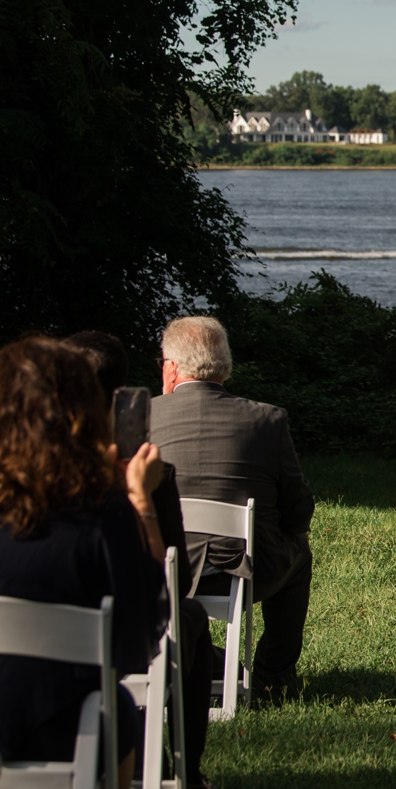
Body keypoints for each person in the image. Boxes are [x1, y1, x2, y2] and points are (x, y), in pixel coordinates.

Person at [0, 336, 167, 789]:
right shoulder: (101, 514)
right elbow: (139, 645)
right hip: (68, 735)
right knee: (120, 710)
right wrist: (139, 500)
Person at [66, 329, 216, 788]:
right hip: (121, 639)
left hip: (34, 648)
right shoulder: (148, 479)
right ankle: (185, 769)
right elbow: (173, 580)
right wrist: (142, 499)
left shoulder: (27, 482)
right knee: (190, 614)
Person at [149, 316, 315, 702]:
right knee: (299, 556)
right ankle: (272, 676)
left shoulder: (140, 418)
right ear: (224, 364)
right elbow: (298, 509)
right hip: (244, 567)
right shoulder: (267, 420)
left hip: (158, 571)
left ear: (171, 367)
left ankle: (210, 662)